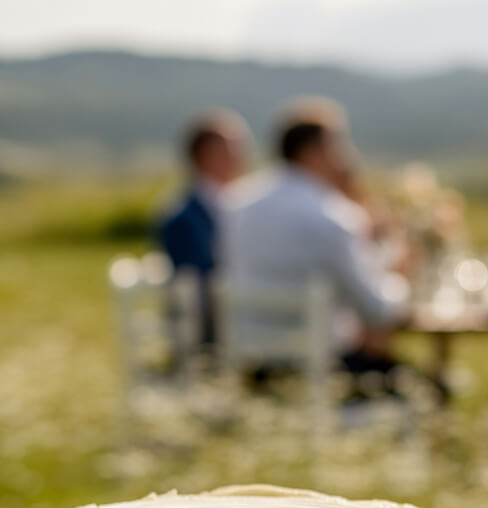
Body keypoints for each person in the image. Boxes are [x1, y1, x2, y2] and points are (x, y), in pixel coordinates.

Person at [223, 98, 408, 379]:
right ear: (312, 153)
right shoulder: (334, 217)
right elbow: (376, 309)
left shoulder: (236, 204)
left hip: (251, 365)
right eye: (339, 145)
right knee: (432, 386)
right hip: (320, 370)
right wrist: (401, 276)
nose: (347, 157)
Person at [158, 110, 248, 342]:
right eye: (229, 150)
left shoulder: (238, 204)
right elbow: (196, 287)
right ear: (201, 156)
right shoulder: (181, 217)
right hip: (212, 329)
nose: (238, 157)